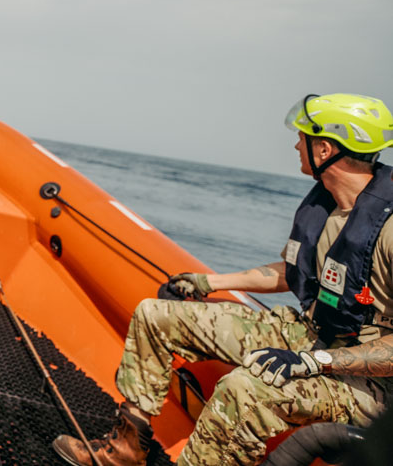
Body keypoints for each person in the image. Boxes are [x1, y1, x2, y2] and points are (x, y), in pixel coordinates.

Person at [52, 93, 393, 466]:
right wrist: (208, 282)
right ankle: (125, 451)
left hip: (366, 381)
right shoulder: (328, 204)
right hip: (312, 335)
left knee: (244, 389)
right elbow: (293, 273)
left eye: (303, 138)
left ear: (324, 149)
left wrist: (316, 362)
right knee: (155, 314)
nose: (297, 144)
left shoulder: (388, 229)